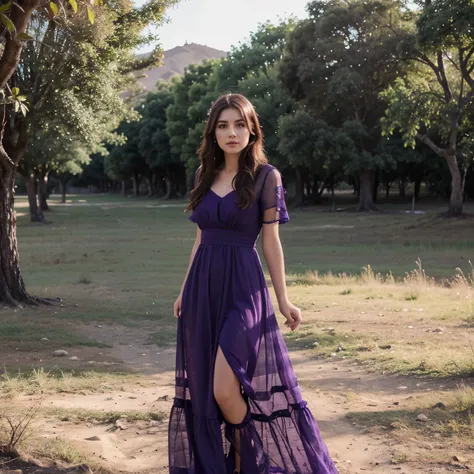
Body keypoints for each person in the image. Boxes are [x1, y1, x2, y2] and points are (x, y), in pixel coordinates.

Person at [168, 93, 338, 474]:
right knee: (206, 394)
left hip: (244, 288)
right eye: (223, 125)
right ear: (213, 132)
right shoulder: (203, 175)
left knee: (226, 391)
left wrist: (284, 299)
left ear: (252, 129)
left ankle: (251, 459)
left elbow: (271, 240)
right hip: (202, 290)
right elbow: (200, 238)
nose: (232, 133)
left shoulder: (266, 177)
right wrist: (183, 290)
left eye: (240, 124)